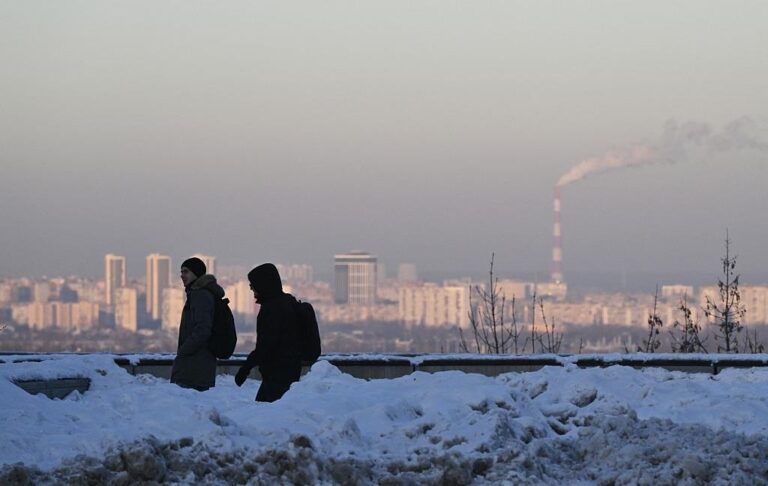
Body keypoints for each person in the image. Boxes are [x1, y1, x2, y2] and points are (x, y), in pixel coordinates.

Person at [235, 263, 302, 402]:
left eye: (253, 285)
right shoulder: (287, 302)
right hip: (287, 371)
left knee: (264, 414)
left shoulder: (273, 308)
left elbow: (266, 344)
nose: (251, 288)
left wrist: (245, 368)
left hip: (278, 375)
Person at [170, 257, 225, 391]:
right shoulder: (198, 294)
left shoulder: (200, 295)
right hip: (198, 367)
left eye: (186, 271)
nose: (182, 275)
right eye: (181, 272)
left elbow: (202, 330)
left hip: (193, 369)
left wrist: (183, 351)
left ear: (196, 273)